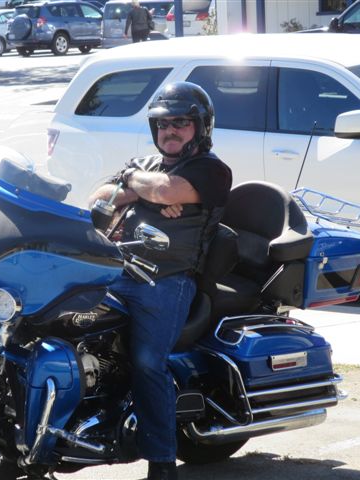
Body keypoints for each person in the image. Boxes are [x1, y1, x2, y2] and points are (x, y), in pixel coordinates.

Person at [88, 81, 232, 480]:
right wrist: (146, 190)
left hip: (168, 280)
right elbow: (97, 197)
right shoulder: (146, 166)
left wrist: (139, 188)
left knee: (148, 361)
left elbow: (167, 190)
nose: (170, 131)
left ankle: (162, 461)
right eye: (163, 123)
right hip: (118, 270)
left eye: (180, 123)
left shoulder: (212, 170)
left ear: (200, 127)